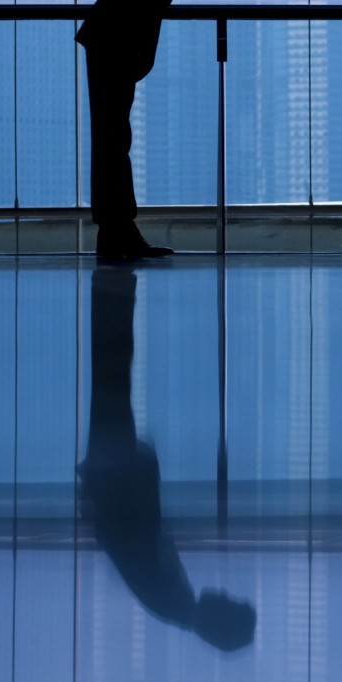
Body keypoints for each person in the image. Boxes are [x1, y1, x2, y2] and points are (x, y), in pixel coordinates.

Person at [77, 266, 257, 652]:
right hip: (112, 473)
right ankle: (113, 292)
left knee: (112, 374)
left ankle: (113, 289)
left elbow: (134, 535)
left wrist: (138, 467)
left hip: (115, 472)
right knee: (112, 375)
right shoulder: (174, 603)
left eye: (229, 602)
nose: (225, 593)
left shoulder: (172, 598)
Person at [77, 0, 256, 261]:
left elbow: (144, 3)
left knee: (112, 139)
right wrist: (143, 55)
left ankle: (116, 232)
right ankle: (117, 231)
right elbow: (148, 5)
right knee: (113, 140)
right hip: (114, 43)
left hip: (109, 41)